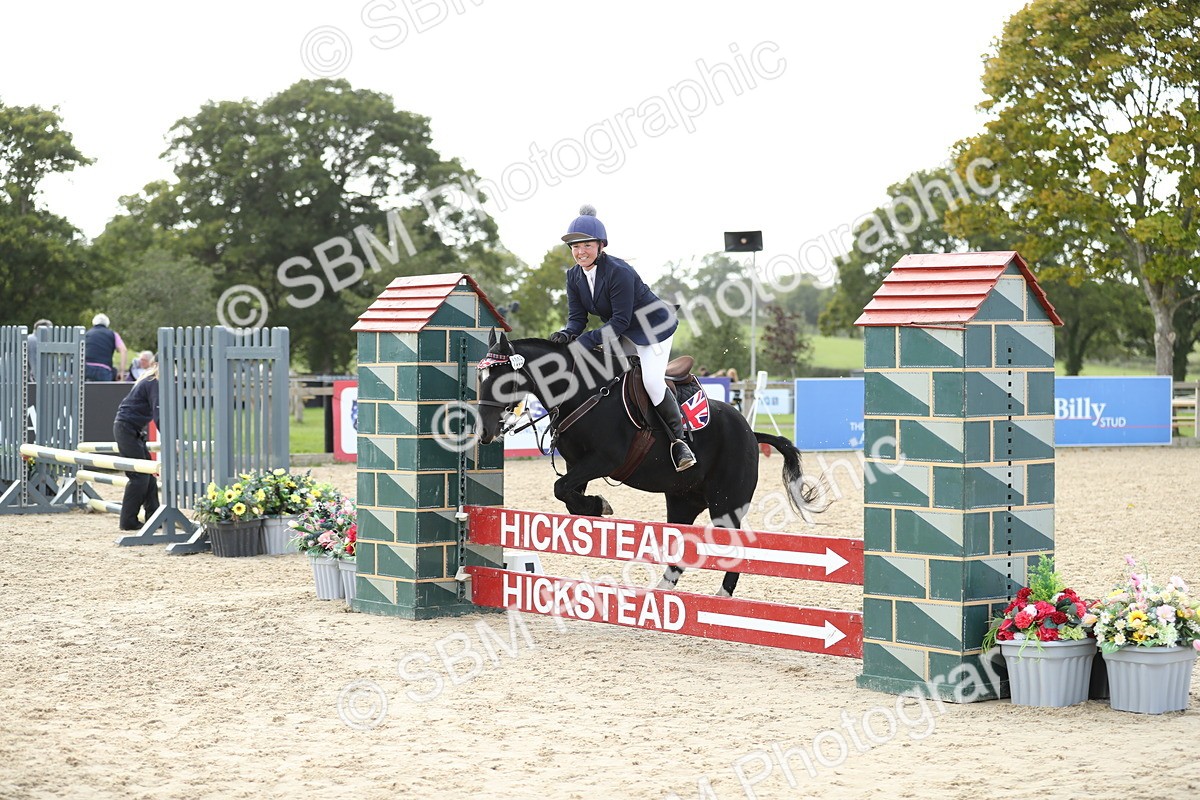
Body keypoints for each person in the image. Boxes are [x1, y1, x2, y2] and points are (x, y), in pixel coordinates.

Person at [549, 205, 696, 472]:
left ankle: (679, 442)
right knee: (599, 371)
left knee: (651, 380)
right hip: (625, 331)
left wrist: (587, 340)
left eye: (586, 245)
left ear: (601, 245)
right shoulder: (573, 276)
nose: (580, 252)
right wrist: (567, 333)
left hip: (653, 330)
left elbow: (619, 321)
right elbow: (577, 319)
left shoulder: (619, 271)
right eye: (575, 246)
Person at [113, 363, 160, 530]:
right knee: (139, 477)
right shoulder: (154, 382)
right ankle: (128, 521)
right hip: (127, 429)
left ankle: (154, 517)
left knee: (149, 476)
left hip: (131, 429)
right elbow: (158, 413)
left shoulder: (148, 379)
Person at [84, 313, 128, 382]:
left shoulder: (87, 334)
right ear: (107, 324)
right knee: (104, 392)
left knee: (86, 392)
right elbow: (123, 350)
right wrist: (121, 371)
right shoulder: (113, 334)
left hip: (87, 368)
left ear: (93, 323)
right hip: (104, 369)